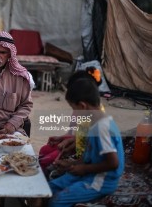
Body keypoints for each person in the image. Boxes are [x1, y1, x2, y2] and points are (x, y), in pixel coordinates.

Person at [48, 73, 124, 207]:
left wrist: (83, 168)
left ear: (82, 106)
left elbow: (113, 163)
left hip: (101, 181)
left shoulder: (102, 128)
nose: (74, 113)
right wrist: (71, 165)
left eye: (74, 108)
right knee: (49, 188)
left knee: (57, 200)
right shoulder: (92, 123)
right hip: (90, 173)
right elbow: (89, 155)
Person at [39, 67, 103, 175]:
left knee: (48, 160)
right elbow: (74, 133)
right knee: (44, 150)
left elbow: (82, 143)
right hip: (75, 144)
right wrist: (62, 138)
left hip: (79, 152)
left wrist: (67, 143)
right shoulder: (80, 110)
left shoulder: (89, 114)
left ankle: (48, 181)